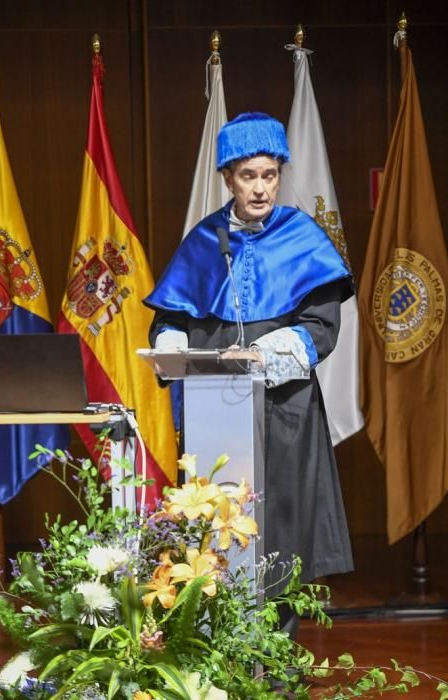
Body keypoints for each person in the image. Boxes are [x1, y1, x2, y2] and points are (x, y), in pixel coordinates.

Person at [144, 112, 354, 589]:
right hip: (214, 409)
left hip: (286, 413)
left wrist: (264, 356)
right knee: (216, 533)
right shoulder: (204, 241)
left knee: (280, 531)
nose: (260, 189)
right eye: (248, 176)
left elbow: (321, 326)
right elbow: (170, 315)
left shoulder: (302, 238)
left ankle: (275, 663)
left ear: (280, 175)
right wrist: (172, 346)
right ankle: (223, 659)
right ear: (227, 179)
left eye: (270, 175)